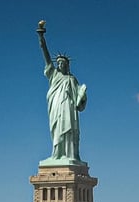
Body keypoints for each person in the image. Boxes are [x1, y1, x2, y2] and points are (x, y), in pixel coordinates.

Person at [37, 20, 87, 164]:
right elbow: (46, 57)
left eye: (62, 63)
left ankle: (71, 155)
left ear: (67, 65)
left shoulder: (72, 79)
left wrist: (82, 95)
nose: (60, 64)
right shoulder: (53, 74)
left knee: (69, 131)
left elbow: (80, 102)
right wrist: (41, 38)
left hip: (69, 109)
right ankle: (57, 155)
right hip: (56, 106)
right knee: (58, 130)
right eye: (58, 63)